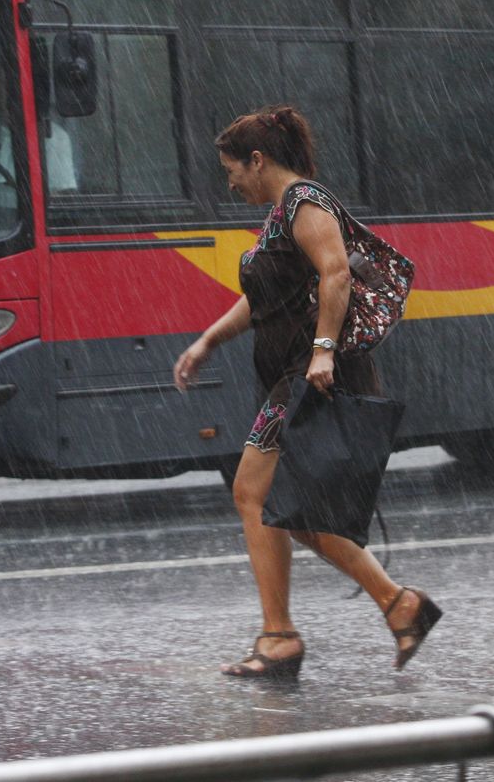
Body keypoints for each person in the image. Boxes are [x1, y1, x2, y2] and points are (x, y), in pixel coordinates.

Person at [173, 105, 442, 680]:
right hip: (295, 373)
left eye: (232, 170)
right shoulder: (280, 216)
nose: (229, 181)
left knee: (253, 494)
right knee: (289, 512)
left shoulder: (306, 203)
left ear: (258, 159)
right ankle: (398, 605)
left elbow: (336, 271)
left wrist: (322, 349)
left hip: (311, 373)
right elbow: (264, 299)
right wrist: (208, 342)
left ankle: (281, 636)